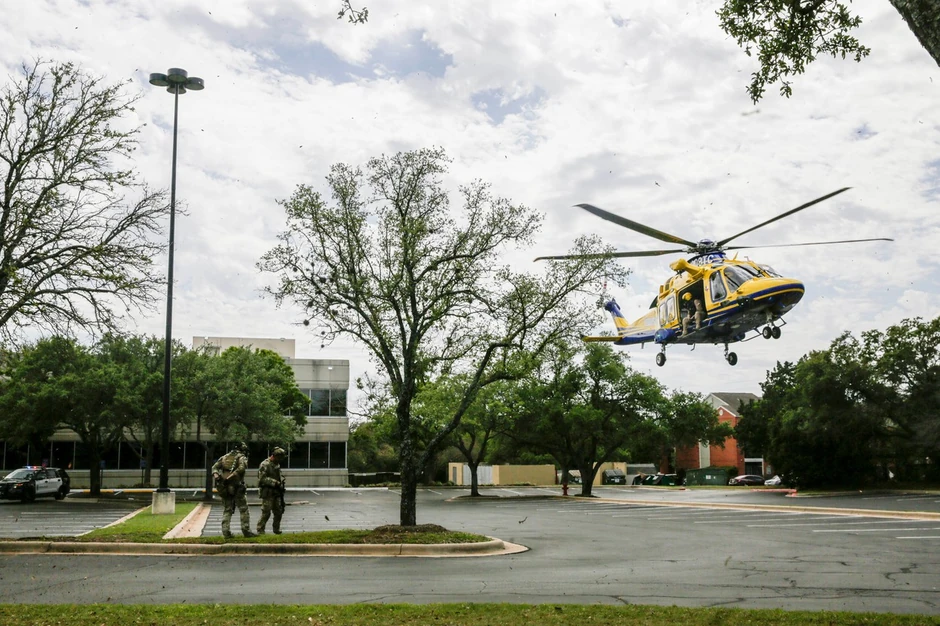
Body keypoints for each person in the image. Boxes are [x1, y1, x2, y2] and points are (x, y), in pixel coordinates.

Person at [212, 442, 256, 539]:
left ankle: (226, 532)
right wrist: (232, 476)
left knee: (227, 509)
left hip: (224, 487)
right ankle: (246, 531)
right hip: (237, 486)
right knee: (243, 509)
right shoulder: (242, 457)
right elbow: (241, 468)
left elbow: (214, 467)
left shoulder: (224, 457)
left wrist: (217, 476)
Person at [256, 447, 287, 535]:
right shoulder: (265, 464)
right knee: (266, 512)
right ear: (275, 456)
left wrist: (281, 482)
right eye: (279, 458)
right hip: (268, 492)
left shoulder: (276, 464)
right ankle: (260, 530)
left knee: (279, 511)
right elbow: (262, 478)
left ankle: (276, 529)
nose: (280, 460)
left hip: (277, 492)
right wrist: (275, 482)